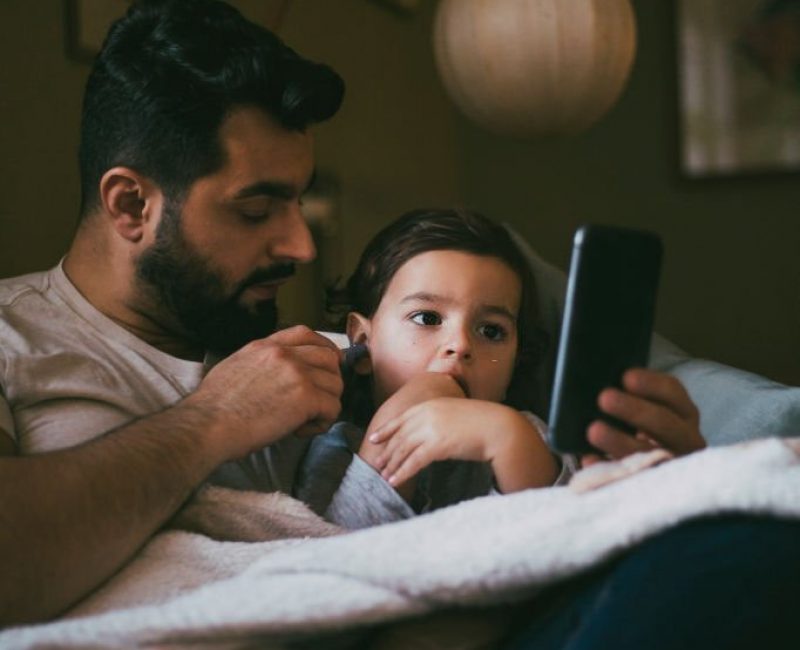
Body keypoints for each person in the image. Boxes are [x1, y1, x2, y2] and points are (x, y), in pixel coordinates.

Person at [0, 0, 357, 625]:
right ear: (132, 204)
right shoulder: (11, 337)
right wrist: (217, 416)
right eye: (255, 210)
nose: (301, 246)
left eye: (299, 200)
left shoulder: (307, 359)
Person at [295, 208, 704, 528]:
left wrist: (506, 438)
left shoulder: (530, 434)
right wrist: (398, 419)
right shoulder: (334, 446)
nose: (460, 345)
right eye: (427, 318)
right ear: (363, 342)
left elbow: (555, 537)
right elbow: (341, 548)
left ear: (514, 362)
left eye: (491, 330)